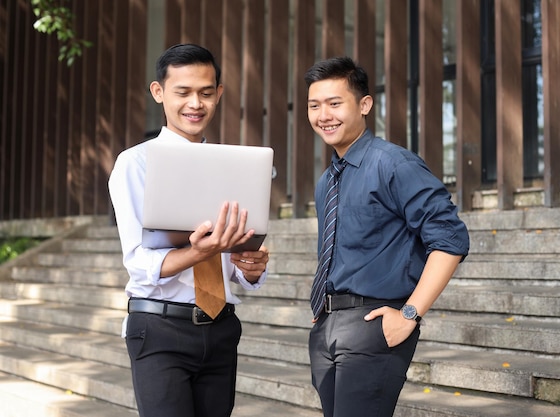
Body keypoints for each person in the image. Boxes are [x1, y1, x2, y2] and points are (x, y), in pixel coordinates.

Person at [108, 44, 269, 417]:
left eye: (206, 93)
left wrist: (250, 266)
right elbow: (139, 263)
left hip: (221, 328)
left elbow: (240, 257)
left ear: (219, 94)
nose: (195, 103)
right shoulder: (135, 164)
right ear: (159, 92)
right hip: (159, 328)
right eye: (183, 92)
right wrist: (200, 251)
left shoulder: (235, 166)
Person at [305, 56, 470, 417]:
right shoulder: (328, 179)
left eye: (335, 103)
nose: (324, 115)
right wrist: (322, 317)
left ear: (364, 104)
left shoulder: (394, 164)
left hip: (373, 325)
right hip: (327, 326)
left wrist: (409, 314)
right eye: (314, 105)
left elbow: (450, 238)